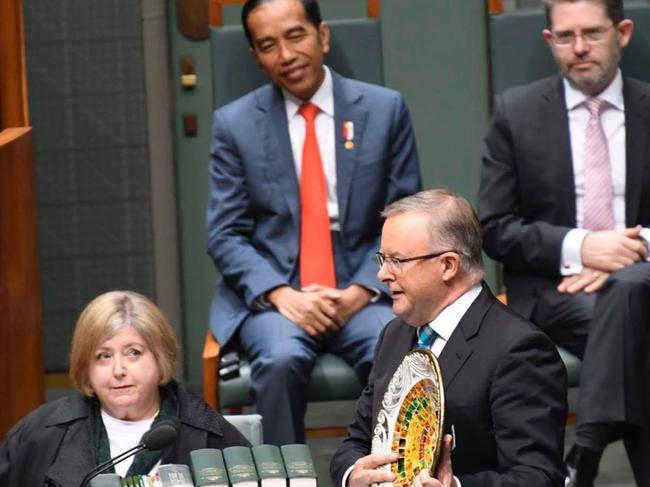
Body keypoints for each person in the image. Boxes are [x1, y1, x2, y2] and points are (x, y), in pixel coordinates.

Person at [206, 0, 421, 445]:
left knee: (395, 347)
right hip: (276, 293)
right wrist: (283, 295)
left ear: (322, 36)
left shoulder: (384, 110)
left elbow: (405, 217)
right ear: (256, 56)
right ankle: (288, 478)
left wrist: (362, 289)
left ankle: (395, 470)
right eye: (268, 45)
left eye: (295, 36)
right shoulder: (235, 124)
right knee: (280, 359)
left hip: (364, 282)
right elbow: (225, 234)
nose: (285, 55)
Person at [478, 0, 650, 485]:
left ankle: (586, 451)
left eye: (592, 34)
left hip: (643, 280)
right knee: (634, 331)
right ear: (548, 41)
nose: (579, 49)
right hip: (560, 291)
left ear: (624, 32)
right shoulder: (517, 112)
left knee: (630, 295)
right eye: (564, 37)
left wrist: (633, 249)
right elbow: (494, 228)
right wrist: (583, 246)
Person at [331, 189, 567, 487]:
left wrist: (456, 486)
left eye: (397, 261)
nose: (382, 274)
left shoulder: (519, 350)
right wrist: (353, 476)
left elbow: (538, 477)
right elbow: (356, 442)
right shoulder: (395, 334)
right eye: (382, 258)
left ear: (448, 265)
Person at [0, 291, 249, 485]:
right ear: (85, 367)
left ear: (160, 358)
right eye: (103, 356)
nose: (118, 370)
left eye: (133, 353)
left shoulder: (213, 436)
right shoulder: (38, 435)